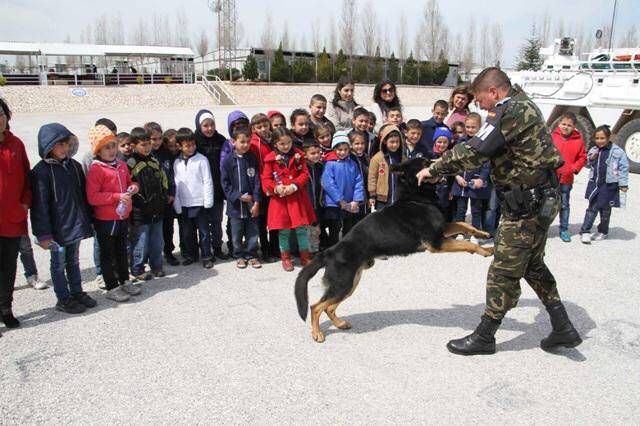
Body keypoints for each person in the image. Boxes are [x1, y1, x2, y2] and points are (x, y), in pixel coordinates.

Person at [416, 67, 582, 355]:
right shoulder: (523, 103)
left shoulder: (509, 112)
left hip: (526, 208)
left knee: (503, 270)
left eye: (480, 98)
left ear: (494, 92)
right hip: (540, 200)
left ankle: (485, 335)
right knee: (531, 264)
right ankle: (562, 326)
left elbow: (475, 150)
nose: (478, 105)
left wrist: (434, 168)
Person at [30, 123, 95, 314]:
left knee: (73, 261)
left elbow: (83, 195)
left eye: (67, 144)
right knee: (58, 265)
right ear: (48, 146)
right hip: (55, 230)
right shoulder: (41, 172)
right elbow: (40, 206)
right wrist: (43, 234)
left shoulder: (74, 166)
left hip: (74, 225)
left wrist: (88, 219)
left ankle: (77, 292)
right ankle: (63, 298)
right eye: (60, 145)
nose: (65, 149)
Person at [86, 124, 141, 303]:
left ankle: (124, 280)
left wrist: (133, 188)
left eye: (113, 146)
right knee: (108, 254)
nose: (111, 151)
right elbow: (93, 197)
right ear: (98, 150)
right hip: (106, 218)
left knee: (122, 251)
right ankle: (111, 286)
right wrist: (117, 196)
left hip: (122, 216)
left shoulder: (122, 165)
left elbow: (130, 182)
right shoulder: (96, 169)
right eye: (106, 147)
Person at [261, 128, 316, 271]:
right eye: (282, 144)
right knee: (284, 230)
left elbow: (304, 174)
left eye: (289, 142)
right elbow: (266, 179)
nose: (286, 146)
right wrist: (276, 188)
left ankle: (305, 256)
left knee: (301, 229)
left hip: (296, 198)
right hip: (280, 200)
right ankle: (286, 258)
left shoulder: (298, 155)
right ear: (275, 144)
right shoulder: (270, 159)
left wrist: (294, 185)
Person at [0, 97, 32, 332]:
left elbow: (26, 178)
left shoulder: (16, 144)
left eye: (1, 114)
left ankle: (5, 309)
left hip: (12, 218)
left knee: (8, 267)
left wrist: (25, 203)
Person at [126, 127, 168, 280]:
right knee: (140, 241)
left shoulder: (154, 161)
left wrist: (163, 196)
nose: (147, 147)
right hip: (140, 211)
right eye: (143, 145)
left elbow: (163, 179)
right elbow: (128, 186)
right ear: (134, 145)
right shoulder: (130, 163)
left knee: (157, 241)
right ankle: (137, 269)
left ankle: (157, 266)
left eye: (148, 144)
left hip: (157, 209)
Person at [579, 125, 629, 244]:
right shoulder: (594, 150)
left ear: (608, 137)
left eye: (602, 138)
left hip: (609, 186)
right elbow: (587, 163)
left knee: (606, 210)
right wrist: (591, 158)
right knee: (592, 208)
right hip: (595, 185)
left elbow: (623, 168)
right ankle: (585, 231)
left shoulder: (617, 152)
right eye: (597, 138)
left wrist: (623, 184)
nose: (599, 141)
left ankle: (603, 231)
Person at [173, 128, 214, 268]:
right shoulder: (176, 163)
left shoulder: (202, 160)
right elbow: (176, 184)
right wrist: (177, 204)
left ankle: (207, 255)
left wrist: (208, 201)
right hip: (184, 203)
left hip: (199, 202)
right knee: (187, 233)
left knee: (203, 231)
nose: (191, 148)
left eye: (193, 144)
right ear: (179, 146)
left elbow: (207, 181)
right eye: (187, 145)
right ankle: (192, 255)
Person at [221, 128, 262, 269]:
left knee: (252, 231)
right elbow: (225, 183)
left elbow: (257, 181)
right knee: (236, 233)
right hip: (235, 206)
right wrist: (238, 196)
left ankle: (252, 254)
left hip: (251, 204)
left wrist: (256, 201)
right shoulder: (228, 161)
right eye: (242, 142)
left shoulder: (252, 158)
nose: (245, 145)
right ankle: (238, 255)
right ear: (233, 142)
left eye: (248, 142)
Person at [194, 109, 231, 261]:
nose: (209, 128)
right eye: (205, 125)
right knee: (202, 224)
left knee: (216, 221)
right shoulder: (194, 141)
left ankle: (217, 248)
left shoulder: (221, 140)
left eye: (212, 124)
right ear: (199, 126)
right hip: (198, 190)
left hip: (217, 188)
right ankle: (205, 250)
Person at [450, 116, 491, 241]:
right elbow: (453, 161)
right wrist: (456, 176)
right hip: (461, 181)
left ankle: (475, 233)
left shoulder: (484, 144)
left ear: (480, 127)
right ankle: (461, 232)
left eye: (473, 127)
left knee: (476, 210)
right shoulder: (460, 142)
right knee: (460, 209)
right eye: (468, 127)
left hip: (476, 182)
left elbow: (486, 164)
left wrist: (482, 179)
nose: (470, 129)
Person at [321, 130, 365, 247]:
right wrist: (340, 200)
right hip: (335, 204)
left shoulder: (352, 164)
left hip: (350, 202)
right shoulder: (330, 164)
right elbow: (328, 183)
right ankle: (332, 250)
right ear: (334, 149)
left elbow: (358, 182)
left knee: (348, 227)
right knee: (334, 228)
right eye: (340, 150)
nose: (343, 152)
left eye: (346, 149)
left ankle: (346, 249)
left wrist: (356, 199)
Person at [551, 112, 587, 242]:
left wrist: (574, 168)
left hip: (566, 178)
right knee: (546, 202)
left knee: (564, 204)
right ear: (559, 124)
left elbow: (583, 157)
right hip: (551, 177)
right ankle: (542, 228)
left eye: (569, 125)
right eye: (563, 124)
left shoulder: (578, 141)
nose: (565, 127)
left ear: (574, 127)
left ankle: (564, 229)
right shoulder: (552, 137)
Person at [249, 113, 278, 262]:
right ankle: (265, 250)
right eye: (259, 127)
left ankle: (275, 248)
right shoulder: (254, 143)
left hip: (275, 184)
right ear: (253, 129)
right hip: (262, 186)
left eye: (265, 125)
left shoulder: (273, 138)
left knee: (274, 219)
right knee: (261, 221)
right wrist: (263, 185)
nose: (263, 129)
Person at [368, 124, 405, 211]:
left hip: (398, 197)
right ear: (384, 141)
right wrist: (372, 195)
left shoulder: (402, 158)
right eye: (392, 142)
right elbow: (372, 177)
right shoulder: (377, 158)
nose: (395, 145)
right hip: (382, 199)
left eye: (397, 142)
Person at [159, 129, 180, 265]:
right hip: (162, 197)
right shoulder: (163, 156)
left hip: (175, 196)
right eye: (170, 146)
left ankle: (168, 251)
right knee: (160, 228)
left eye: (175, 145)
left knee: (169, 227)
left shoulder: (181, 155)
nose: (173, 149)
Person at [302, 140, 325, 254]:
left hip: (318, 203)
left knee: (316, 229)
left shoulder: (320, 166)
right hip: (306, 204)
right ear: (305, 154)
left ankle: (315, 249)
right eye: (313, 153)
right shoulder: (302, 168)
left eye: (318, 152)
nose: (316, 155)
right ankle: (305, 250)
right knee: (306, 229)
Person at [349, 129, 371, 221]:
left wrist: (371, 196)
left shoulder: (366, 157)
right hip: (352, 198)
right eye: (357, 144)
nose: (360, 146)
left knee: (365, 221)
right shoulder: (349, 158)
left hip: (365, 197)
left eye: (362, 143)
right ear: (351, 145)